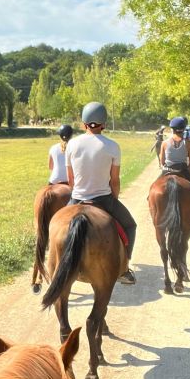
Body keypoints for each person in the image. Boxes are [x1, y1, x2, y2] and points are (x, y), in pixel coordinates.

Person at [65, 102, 138, 284]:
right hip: (103, 199)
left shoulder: (72, 144)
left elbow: (70, 179)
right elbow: (114, 180)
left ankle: (55, 261)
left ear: (84, 123)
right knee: (130, 225)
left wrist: (77, 193)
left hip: (77, 198)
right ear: (103, 124)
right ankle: (124, 269)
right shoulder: (113, 146)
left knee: (55, 225)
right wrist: (114, 197)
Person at [159, 116, 190, 207]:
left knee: (151, 190)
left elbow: (162, 161)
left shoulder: (164, 143)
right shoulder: (187, 143)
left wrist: (167, 166)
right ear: (184, 129)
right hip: (182, 170)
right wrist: (187, 168)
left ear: (172, 129)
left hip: (167, 170)